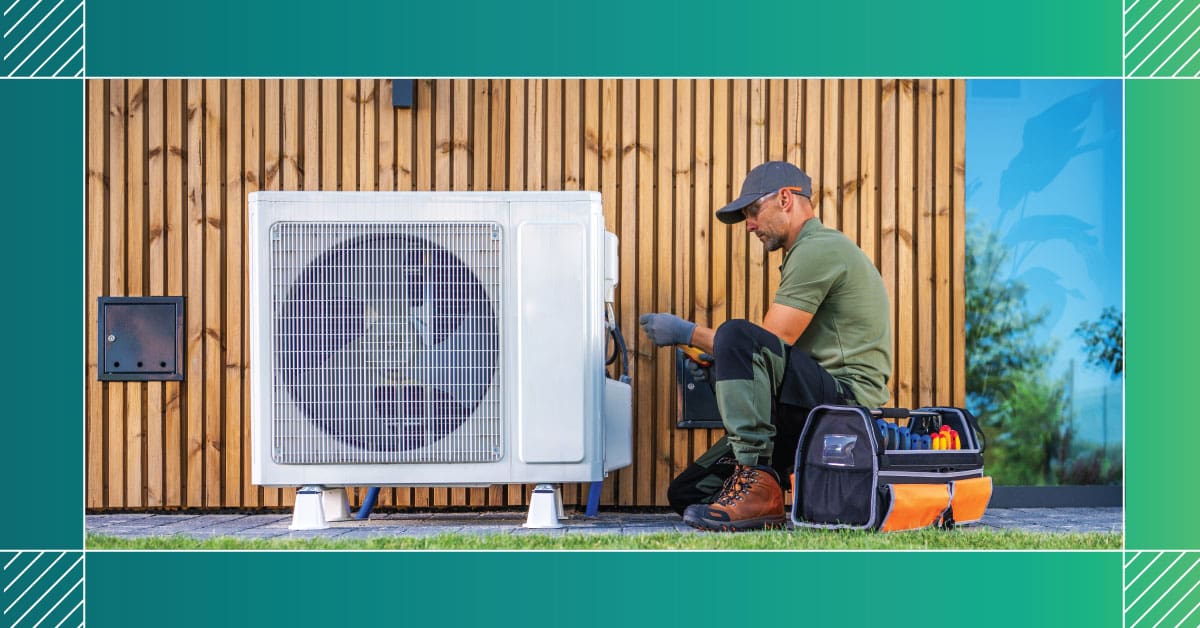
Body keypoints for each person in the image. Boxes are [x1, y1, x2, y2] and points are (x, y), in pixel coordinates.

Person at [639, 161, 893, 532]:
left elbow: (767, 342)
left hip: (845, 406)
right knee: (689, 493)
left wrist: (686, 332)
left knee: (737, 334)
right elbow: (771, 360)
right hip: (810, 404)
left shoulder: (818, 249)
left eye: (753, 211)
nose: (751, 225)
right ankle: (760, 488)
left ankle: (758, 482)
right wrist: (718, 364)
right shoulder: (806, 252)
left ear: (786, 199)